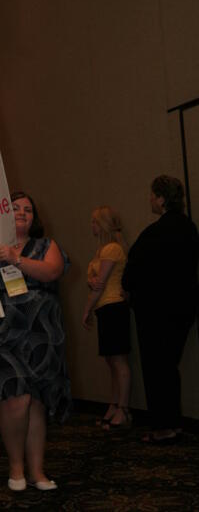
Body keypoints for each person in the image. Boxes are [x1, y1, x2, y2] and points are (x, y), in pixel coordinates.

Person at [0, 191, 71, 492]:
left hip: (40, 334)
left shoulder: (46, 245)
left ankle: (37, 471)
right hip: (0, 335)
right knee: (15, 398)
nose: (22, 212)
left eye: (28, 209)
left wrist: (17, 259)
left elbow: (52, 271)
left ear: (35, 218)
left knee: (36, 402)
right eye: (15, 208)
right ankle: (16, 467)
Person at [122, 175, 199, 444]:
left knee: (156, 368)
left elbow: (131, 273)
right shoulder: (190, 228)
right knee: (169, 367)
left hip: (155, 313)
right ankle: (174, 422)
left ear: (162, 199)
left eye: (153, 195)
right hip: (184, 310)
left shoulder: (154, 233)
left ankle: (163, 425)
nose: (150, 199)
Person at [82, 206, 131, 429]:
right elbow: (95, 281)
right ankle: (114, 404)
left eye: (94, 222)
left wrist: (86, 310)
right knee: (111, 360)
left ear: (102, 224)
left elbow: (100, 284)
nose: (91, 226)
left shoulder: (112, 248)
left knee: (118, 360)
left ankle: (123, 409)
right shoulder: (102, 250)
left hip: (113, 307)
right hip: (106, 307)